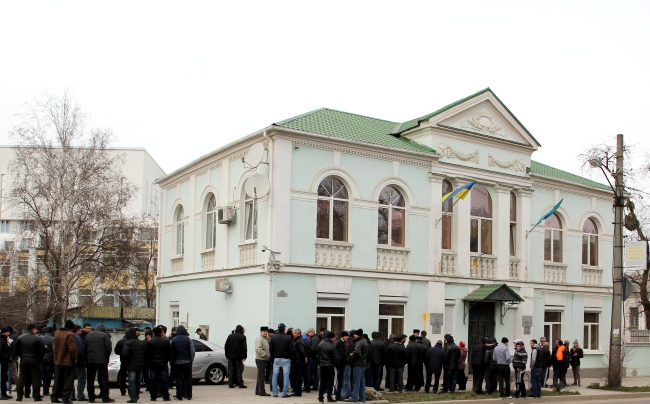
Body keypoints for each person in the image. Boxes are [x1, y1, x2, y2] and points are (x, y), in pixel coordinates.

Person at [13, 324, 43, 401]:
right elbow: (42, 350)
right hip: (34, 360)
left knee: (22, 378)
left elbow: (16, 350)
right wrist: (38, 358)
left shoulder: (20, 338)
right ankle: (36, 396)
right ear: (33, 329)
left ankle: (19, 396)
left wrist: (22, 356)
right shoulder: (38, 338)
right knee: (35, 378)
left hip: (24, 360)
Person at [84, 324, 113, 403]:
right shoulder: (105, 335)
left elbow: (84, 348)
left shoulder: (88, 336)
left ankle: (91, 397)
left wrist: (87, 359)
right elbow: (108, 348)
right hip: (102, 361)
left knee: (90, 379)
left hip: (91, 360)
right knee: (103, 379)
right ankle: (105, 397)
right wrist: (106, 357)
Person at [51, 320, 78, 404]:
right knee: (68, 380)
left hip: (57, 360)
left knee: (57, 379)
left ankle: (54, 397)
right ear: (71, 328)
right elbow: (72, 348)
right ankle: (65, 398)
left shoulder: (57, 332)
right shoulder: (70, 334)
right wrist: (75, 358)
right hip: (67, 361)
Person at [146, 327, 171, 402]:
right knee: (164, 379)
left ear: (153, 333)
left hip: (153, 363)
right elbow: (169, 352)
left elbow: (147, 354)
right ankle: (165, 396)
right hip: (163, 362)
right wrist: (167, 360)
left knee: (153, 379)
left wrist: (149, 362)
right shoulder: (166, 341)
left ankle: (153, 396)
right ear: (161, 332)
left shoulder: (150, 342)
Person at [121, 328, 146, 403]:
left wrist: (127, 362)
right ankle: (136, 396)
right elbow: (145, 354)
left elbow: (124, 354)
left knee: (132, 381)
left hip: (132, 365)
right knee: (138, 381)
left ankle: (133, 397)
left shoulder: (128, 343)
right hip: (140, 365)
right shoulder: (141, 342)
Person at [170, 325, 194, 401]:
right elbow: (192, 351)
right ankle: (189, 395)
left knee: (178, 379)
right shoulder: (188, 339)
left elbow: (170, 351)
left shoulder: (173, 340)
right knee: (188, 379)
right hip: (187, 362)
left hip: (176, 362)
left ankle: (179, 396)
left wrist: (171, 361)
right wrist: (191, 359)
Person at [269, 323, 292, 398]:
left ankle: (275, 393)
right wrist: (290, 357)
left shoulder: (273, 337)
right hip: (286, 358)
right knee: (286, 376)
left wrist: (273, 357)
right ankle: (284, 393)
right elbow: (291, 349)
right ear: (284, 329)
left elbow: (271, 349)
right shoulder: (288, 337)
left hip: (276, 358)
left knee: (275, 375)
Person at [317, 331, 339, 403]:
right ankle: (329, 397)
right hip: (330, 365)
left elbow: (318, 355)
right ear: (331, 338)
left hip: (322, 365)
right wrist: (337, 365)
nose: (335, 339)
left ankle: (320, 397)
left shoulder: (320, 344)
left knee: (322, 382)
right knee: (330, 382)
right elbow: (335, 357)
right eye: (334, 337)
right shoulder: (332, 346)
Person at [347, 329, 368, 403]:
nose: (354, 336)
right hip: (363, 363)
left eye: (355, 334)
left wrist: (350, 355)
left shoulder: (359, 343)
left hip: (357, 364)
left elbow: (356, 353)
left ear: (357, 334)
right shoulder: (364, 342)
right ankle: (362, 398)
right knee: (362, 382)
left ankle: (354, 397)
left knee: (356, 381)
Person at [69, 325, 86, 402]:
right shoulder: (77, 337)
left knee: (70, 378)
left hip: (69, 361)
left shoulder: (68, 336)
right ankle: (80, 395)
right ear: (77, 330)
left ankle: (71, 395)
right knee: (81, 378)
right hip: (78, 361)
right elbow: (79, 350)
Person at [254, 326, 270, 397]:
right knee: (262, 376)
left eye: (266, 331)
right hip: (260, 359)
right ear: (261, 332)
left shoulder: (265, 339)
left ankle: (258, 391)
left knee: (260, 376)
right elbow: (258, 349)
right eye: (264, 331)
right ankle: (262, 392)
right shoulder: (259, 339)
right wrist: (265, 355)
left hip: (264, 359)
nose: (265, 333)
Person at [290, 329, 306, 397]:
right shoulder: (296, 340)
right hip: (296, 360)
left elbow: (302, 352)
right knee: (295, 377)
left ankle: (297, 392)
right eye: (293, 333)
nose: (294, 334)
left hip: (298, 361)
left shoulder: (299, 341)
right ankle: (296, 390)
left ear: (299, 334)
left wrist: (302, 358)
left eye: (295, 333)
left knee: (298, 377)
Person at [334, 331, 350, 401]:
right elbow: (334, 353)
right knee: (335, 380)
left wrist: (347, 359)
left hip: (343, 364)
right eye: (346, 336)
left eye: (348, 336)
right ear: (342, 336)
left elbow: (347, 353)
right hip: (337, 365)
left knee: (341, 381)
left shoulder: (346, 344)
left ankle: (338, 395)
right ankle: (332, 394)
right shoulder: (337, 343)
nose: (347, 337)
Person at [113, 331, 129, 396]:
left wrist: (121, 354)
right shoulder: (133, 341)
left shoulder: (121, 341)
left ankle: (122, 390)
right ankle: (133, 389)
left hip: (123, 360)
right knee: (133, 376)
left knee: (123, 376)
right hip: (132, 361)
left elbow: (116, 351)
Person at [40, 327, 55, 398]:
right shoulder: (53, 339)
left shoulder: (41, 338)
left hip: (42, 358)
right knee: (48, 375)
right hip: (50, 359)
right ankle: (46, 390)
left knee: (44, 374)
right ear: (52, 331)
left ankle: (44, 389)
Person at [0, 326, 11, 400]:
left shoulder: (4, 340)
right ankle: (2, 394)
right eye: (7, 332)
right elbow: (0, 351)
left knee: (4, 378)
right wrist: (6, 357)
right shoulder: (1, 340)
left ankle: (4, 393)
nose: (9, 333)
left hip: (4, 361)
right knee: (2, 378)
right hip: (2, 361)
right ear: (4, 332)